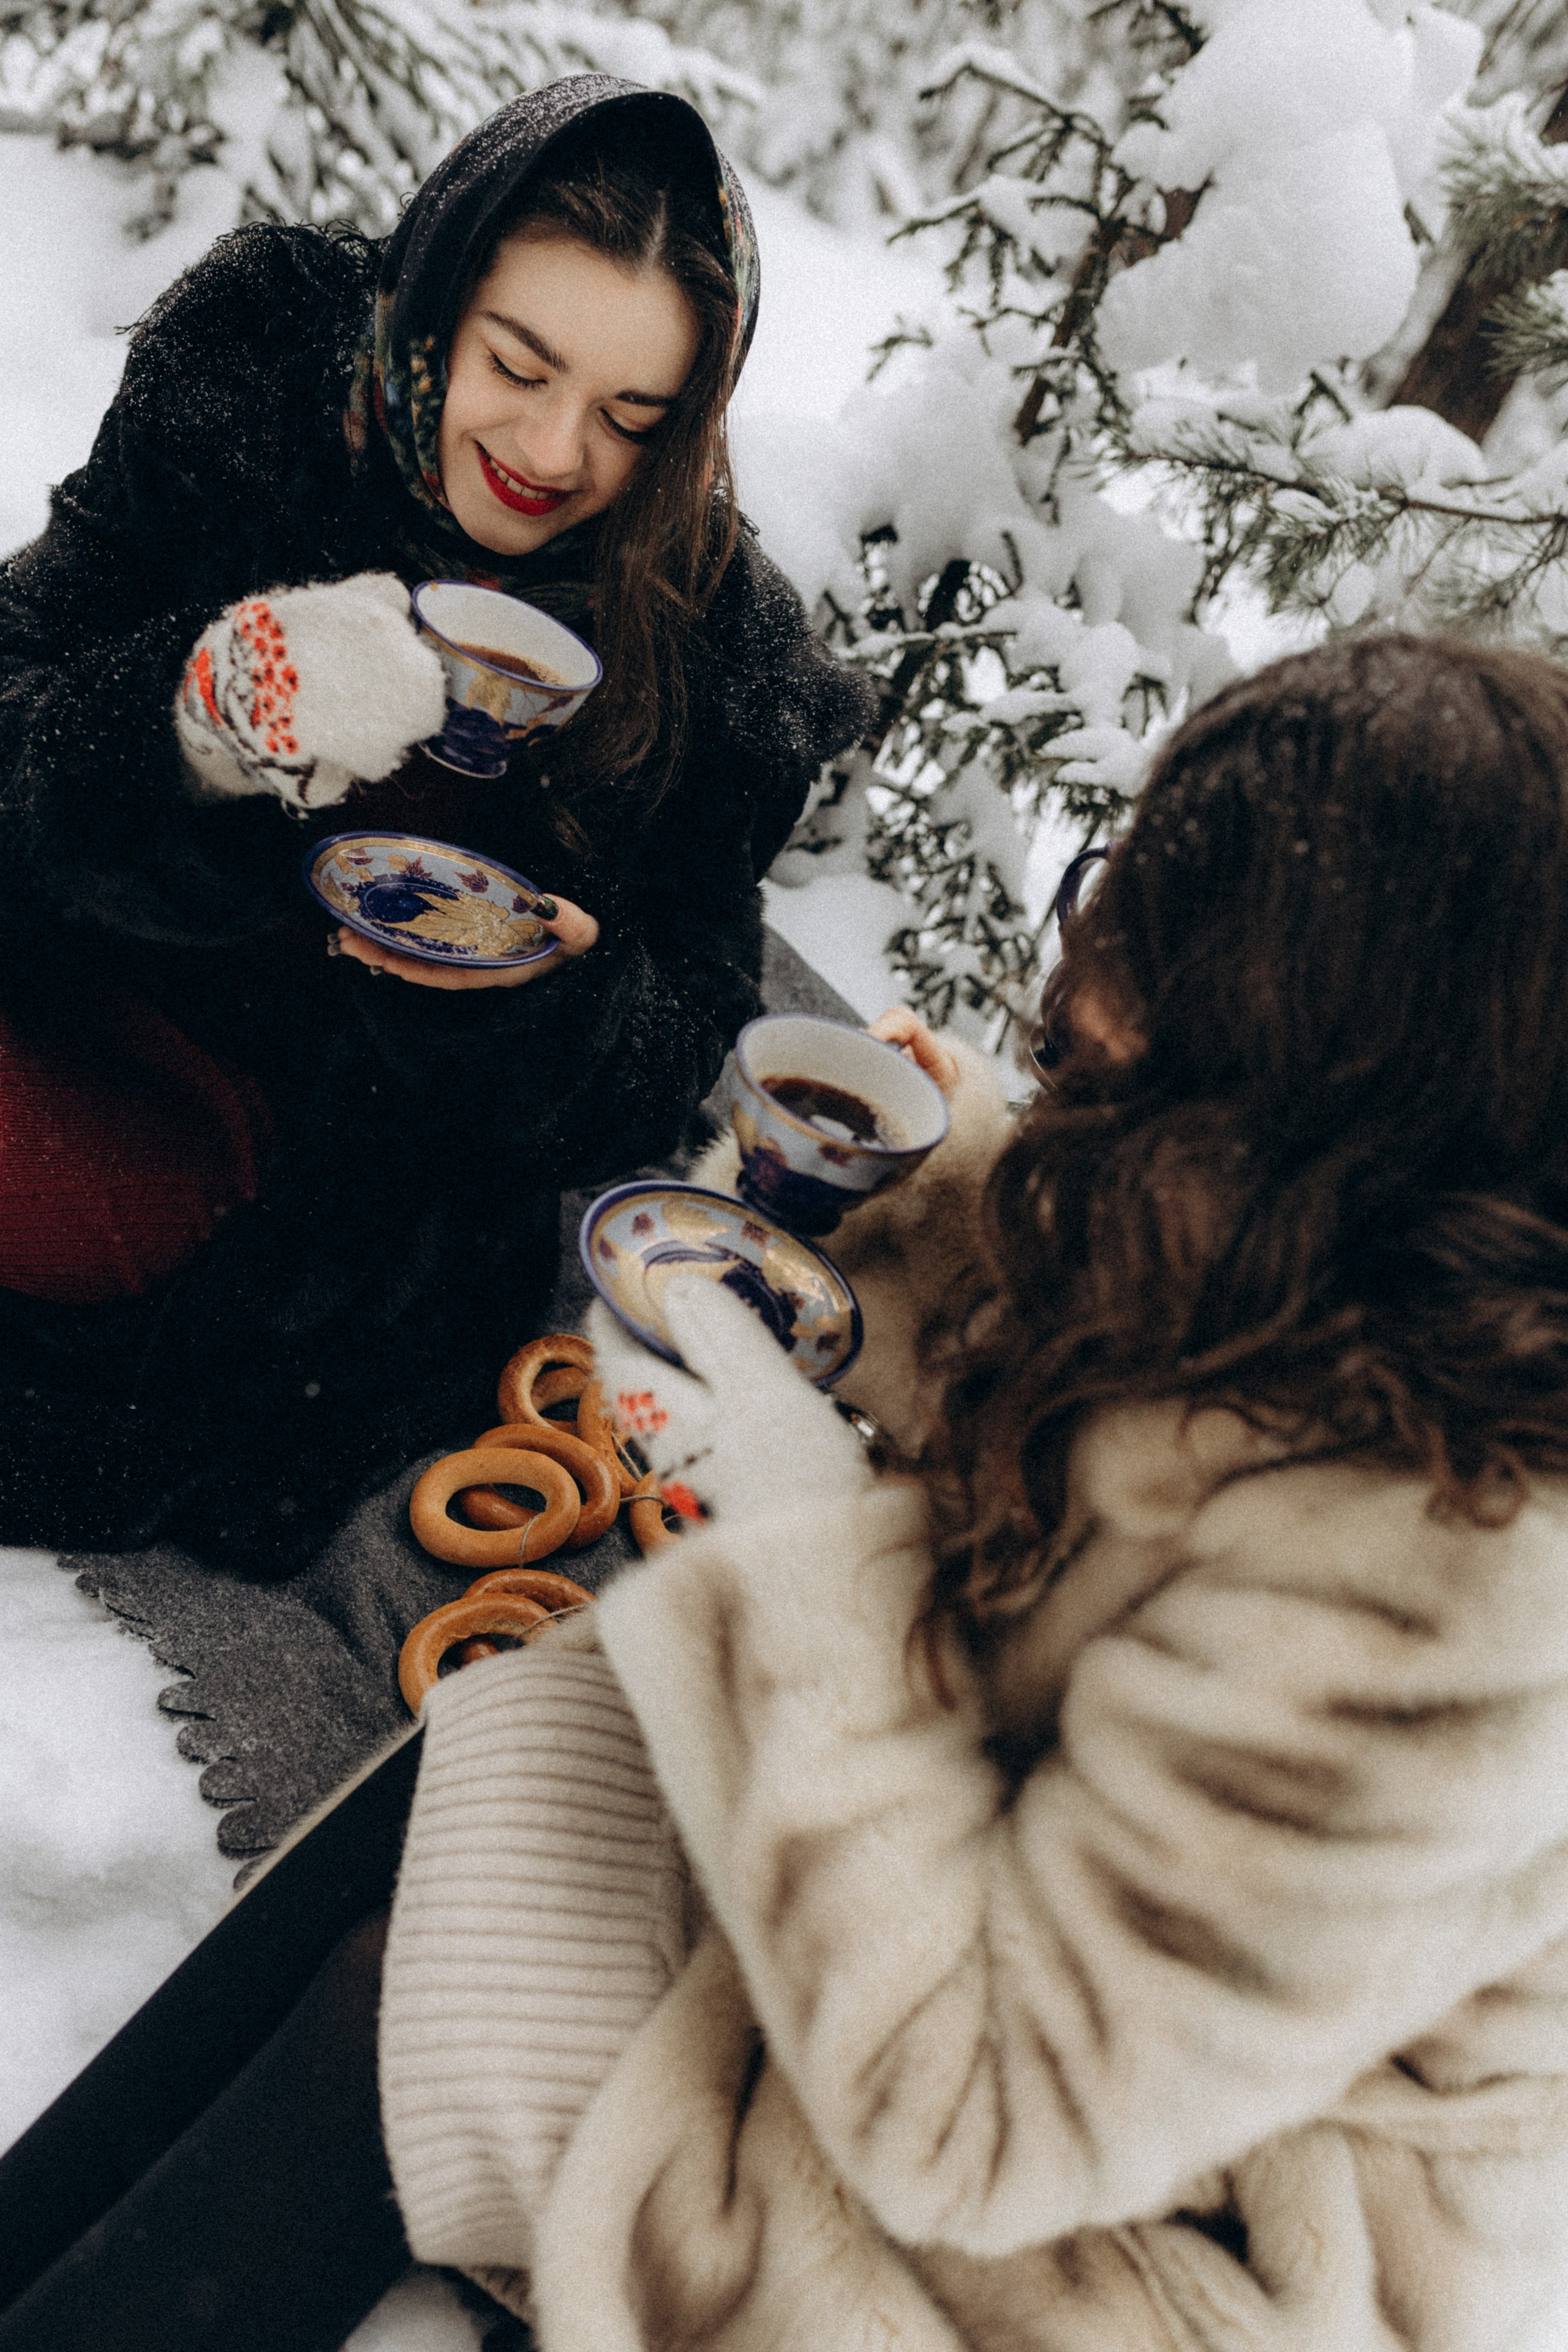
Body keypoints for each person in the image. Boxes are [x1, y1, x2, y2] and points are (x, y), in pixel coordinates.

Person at [12, 629, 1568, 2352]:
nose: (1100, 994)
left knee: (436, 1993)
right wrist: (955, 1205)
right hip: (1003, 1931)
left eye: (1175, 996)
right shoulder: (1308, 1258)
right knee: (511, 1749)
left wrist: (802, 1531)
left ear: (1351, 1079)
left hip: (1134, 2236)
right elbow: (1141, 1450)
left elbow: (976, 2120)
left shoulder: (1453, 1619)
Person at [0, 74, 873, 1570]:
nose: (551, 452)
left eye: (629, 416)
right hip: (64, 951)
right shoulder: (265, 383)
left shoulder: (714, 649)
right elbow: (25, 684)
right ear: (435, 297)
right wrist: (198, 722)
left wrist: (554, 995)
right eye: (515, 363)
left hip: (312, 1146)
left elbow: (675, 1042)